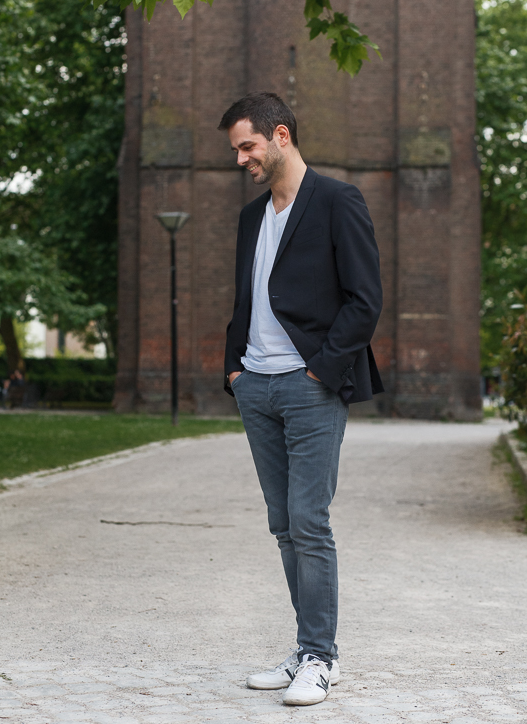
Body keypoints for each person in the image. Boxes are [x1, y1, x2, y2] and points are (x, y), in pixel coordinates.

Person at [219, 92, 383, 706]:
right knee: (283, 524)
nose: (241, 158)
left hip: (308, 385)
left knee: (310, 522)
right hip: (254, 385)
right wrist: (235, 368)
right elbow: (247, 298)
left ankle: (321, 656)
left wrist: (320, 371)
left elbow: (365, 298)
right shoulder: (250, 217)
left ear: (279, 135)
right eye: (237, 149)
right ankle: (306, 647)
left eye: (247, 146)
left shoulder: (338, 200)